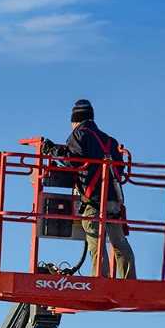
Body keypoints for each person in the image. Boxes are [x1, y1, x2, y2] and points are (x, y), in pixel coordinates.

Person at [43, 98, 134, 278]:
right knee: (119, 241)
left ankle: (100, 278)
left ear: (75, 120)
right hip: (114, 199)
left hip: (94, 199)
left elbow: (72, 160)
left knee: (95, 239)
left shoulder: (79, 135)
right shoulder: (109, 140)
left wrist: (52, 151)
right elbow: (120, 168)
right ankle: (129, 279)